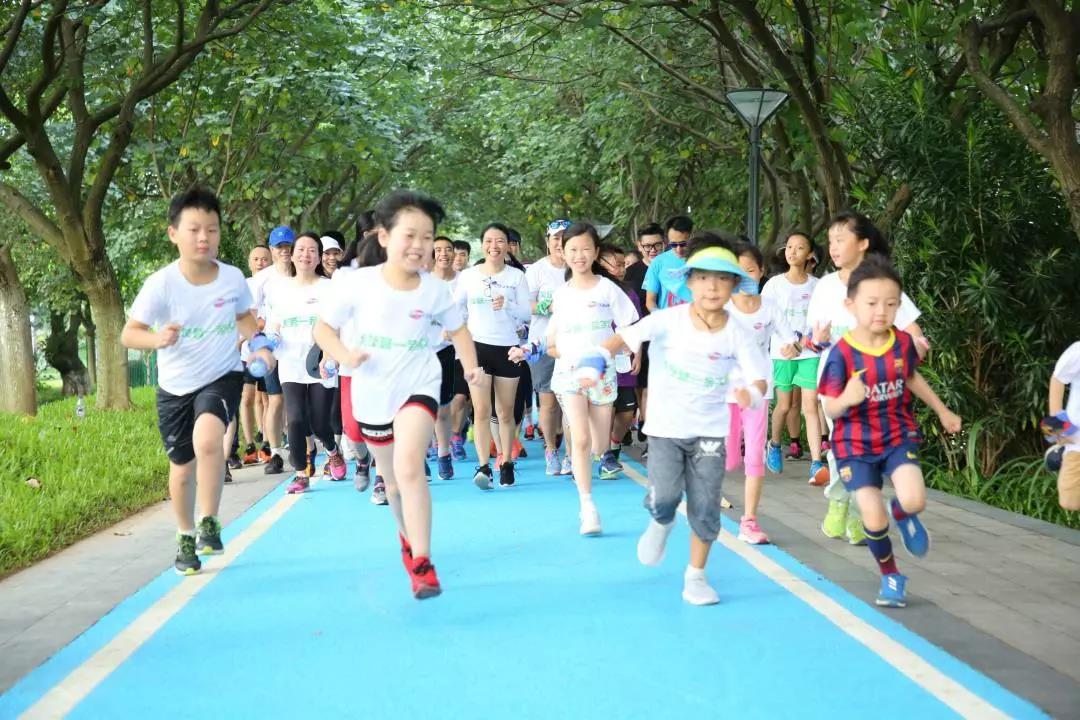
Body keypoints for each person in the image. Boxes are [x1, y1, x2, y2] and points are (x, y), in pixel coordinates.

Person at [314, 190, 482, 600]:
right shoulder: (356, 283)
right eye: (410, 235)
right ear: (385, 236)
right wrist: (344, 356)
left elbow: (459, 329)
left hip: (419, 383)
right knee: (392, 484)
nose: (420, 245)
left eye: (427, 236)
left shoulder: (434, 290)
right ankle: (408, 540)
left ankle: (423, 562)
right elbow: (323, 330)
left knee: (410, 467)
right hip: (372, 391)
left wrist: (471, 366)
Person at [591, 232, 769, 604]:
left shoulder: (738, 333)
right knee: (666, 498)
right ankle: (660, 521)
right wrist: (596, 361)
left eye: (722, 279)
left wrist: (750, 395)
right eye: (703, 277)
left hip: (710, 433)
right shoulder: (668, 320)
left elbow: (758, 378)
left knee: (705, 506)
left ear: (734, 285)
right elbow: (623, 337)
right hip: (666, 430)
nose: (712, 287)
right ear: (689, 282)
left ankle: (696, 577)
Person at [121, 187, 273, 575]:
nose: (204, 237)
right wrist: (158, 339)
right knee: (182, 466)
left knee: (209, 441)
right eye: (194, 230)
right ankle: (186, 535)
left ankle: (209, 520)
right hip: (175, 386)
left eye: (212, 229)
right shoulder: (161, 284)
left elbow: (244, 319)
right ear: (173, 233)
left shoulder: (233, 278)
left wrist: (258, 346)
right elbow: (130, 333)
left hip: (222, 375)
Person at [819, 256, 961, 607]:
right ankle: (891, 575)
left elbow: (911, 377)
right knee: (872, 514)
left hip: (897, 435)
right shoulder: (841, 354)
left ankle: (903, 513)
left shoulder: (901, 343)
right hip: (854, 444)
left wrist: (942, 410)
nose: (881, 311)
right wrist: (847, 398)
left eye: (891, 304)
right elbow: (829, 407)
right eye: (872, 303)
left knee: (914, 500)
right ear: (851, 305)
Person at [806, 211, 929, 545]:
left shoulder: (881, 284)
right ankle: (839, 502)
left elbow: (912, 330)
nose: (833, 247)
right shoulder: (825, 287)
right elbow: (812, 340)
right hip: (836, 385)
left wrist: (918, 345)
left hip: (879, 388)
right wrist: (817, 340)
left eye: (840, 240)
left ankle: (858, 513)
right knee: (842, 449)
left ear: (862, 243)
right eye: (830, 241)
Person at [513, 223, 639, 535]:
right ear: (563, 252)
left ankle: (598, 461)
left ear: (596, 253)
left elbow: (630, 328)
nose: (579, 255)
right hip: (569, 373)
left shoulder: (608, 289)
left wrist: (610, 352)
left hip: (602, 373)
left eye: (585, 249)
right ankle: (588, 507)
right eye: (572, 249)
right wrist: (527, 349)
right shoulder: (562, 294)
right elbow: (551, 336)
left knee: (597, 444)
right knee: (580, 439)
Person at [266, 232, 346, 493]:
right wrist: (272, 338)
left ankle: (332, 451)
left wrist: (330, 355)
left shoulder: (330, 288)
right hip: (290, 361)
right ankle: (301, 473)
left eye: (312, 250)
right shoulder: (280, 289)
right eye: (300, 249)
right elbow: (274, 324)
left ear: (319, 257)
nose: (305, 255)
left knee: (320, 423)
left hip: (321, 360)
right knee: (296, 419)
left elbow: (336, 326)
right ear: (292, 255)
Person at [455, 223, 531, 489]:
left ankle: (506, 462)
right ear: (482, 244)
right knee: (481, 410)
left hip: (508, 349)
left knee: (505, 412)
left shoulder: (516, 277)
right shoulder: (468, 276)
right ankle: (483, 467)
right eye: (488, 241)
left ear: (508, 245)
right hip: (478, 347)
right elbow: (456, 309)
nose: (494, 246)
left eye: (500, 241)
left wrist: (507, 304)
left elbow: (527, 313)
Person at [723, 241, 781, 545]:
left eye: (751, 271)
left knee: (755, 454)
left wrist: (798, 344)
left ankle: (749, 521)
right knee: (728, 457)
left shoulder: (770, 308)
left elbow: (791, 339)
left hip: (758, 390)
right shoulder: (721, 308)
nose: (745, 278)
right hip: (725, 392)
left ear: (761, 272)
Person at [761, 232, 823, 482]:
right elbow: (766, 318)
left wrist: (801, 343)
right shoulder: (774, 285)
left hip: (809, 353)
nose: (792, 252)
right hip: (782, 354)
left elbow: (821, 322)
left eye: (799, 248)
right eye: (789, 247)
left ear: (809, 254)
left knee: (811, 406)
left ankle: (816, 464)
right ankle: (775, 444)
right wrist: (787, 344)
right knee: (784, 406)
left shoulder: (817, 286)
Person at [249, 225, 296, 474]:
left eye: (288, 246)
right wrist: (257, 342)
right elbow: (249, 313)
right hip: (273, 347)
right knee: (276, 399)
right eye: (279, 247)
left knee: (298, 400)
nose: (284, 251)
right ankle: (275, 453)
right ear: (271, 249)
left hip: (300, 347)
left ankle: (303, 449)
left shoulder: (303, 271)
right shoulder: (262, 279)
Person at [524, 219, 570, 475]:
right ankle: (551, 450)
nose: (560, 243)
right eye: (556, 238)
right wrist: (548, 307)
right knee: (549, 402)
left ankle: (571, 455)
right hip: (542, 343)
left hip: (573, 343)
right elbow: (525, 305)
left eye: (565, 237)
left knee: (571, 402)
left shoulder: (578, 266)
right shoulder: (537, 270)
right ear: (548, 241)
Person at [597, 243, 641, 474]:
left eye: (624, 265)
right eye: (617, 264)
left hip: (624, 360)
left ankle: (613, 445)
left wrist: (638, 354)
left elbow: (637, 326)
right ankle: (605, 456)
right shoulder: (593, 289)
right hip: (601, 362)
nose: (622, 269)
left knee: (626, 412)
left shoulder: (629, 293)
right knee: (606, 409)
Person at [624, 223, 665, 451]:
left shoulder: (671, 267)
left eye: (657, 245)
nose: (652, 250)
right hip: (640, 338)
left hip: (666, 336)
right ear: (639, 246)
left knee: (654, 388)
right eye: (647, 246)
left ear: (664, 244)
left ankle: (653, 436)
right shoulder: (632, 272)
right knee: (641, 388)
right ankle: (644, 422)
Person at [430, 236, 461, 480]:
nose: (443, 254)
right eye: (438, 249)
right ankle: (419, 457)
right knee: (417, 408)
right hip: (418, 352)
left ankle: (443, 453)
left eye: (448, 249)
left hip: (448, 351)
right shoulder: (420, 281)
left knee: (442, 408)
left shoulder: (464, 281)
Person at [239, 244, 272, 465]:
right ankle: (250, 445)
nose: (260, 263)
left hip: (269, 352)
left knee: (268, 399)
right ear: (250, 262)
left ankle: (267, 443)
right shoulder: (243, 286)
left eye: (264, 259)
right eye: (256, 259)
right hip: (246, 352)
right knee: (247, 398)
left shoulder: (277, 285)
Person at [1047, 341, 1080, 510]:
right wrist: (1057, 428)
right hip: (1077, 442)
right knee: (1069, 501)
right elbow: (1057, 380)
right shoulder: (1078, 351)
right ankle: (1059, 453)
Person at [642, 215, 693, 312]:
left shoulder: (703, 260)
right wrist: (660, 317)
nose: (678, 249)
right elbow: (650, 301)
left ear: (692, 236)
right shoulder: (658, 262)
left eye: (683, 244)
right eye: (673, 244)